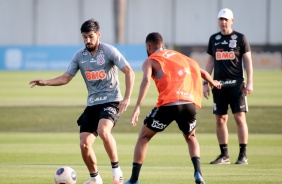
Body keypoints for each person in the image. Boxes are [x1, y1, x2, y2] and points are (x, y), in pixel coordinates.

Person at [29, 18, 135, 184]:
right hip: (92, 104)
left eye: (91, 36)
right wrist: (45, 82)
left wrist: (127, 98)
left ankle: (117, 171)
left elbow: (129, 71)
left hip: (111, 101)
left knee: (103, 130)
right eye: (84, 37)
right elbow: (66, 78)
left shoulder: (108, 51)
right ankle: (95, 178)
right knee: (84, 144)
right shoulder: (80, 56)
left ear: (98, 35)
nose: (87, 40)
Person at [124, 32, 221, 184]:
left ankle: (134, 180)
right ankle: (198, 173)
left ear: (149, 47)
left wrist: (137, 107)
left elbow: (145, 81)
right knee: (191, 137)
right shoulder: (179, 55)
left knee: (143, 137)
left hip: (169, 105)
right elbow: (201, 71)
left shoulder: (150, 60)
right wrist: (212, 82)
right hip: (189, 104)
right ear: (162, 45)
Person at [203, 8, 253, 165]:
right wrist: (206, 82)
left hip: (236, 85)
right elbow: (210, 62)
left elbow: (248, 62)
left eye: (226, 19)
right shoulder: (214, 39)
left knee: (239, 118)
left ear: (232, 20)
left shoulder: (240, 38)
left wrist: (250, 82)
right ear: (218, 21)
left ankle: (242, 155)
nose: (223, 22)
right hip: (218, 85)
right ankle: (224, 155)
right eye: (221, 19)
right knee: (220, 119)